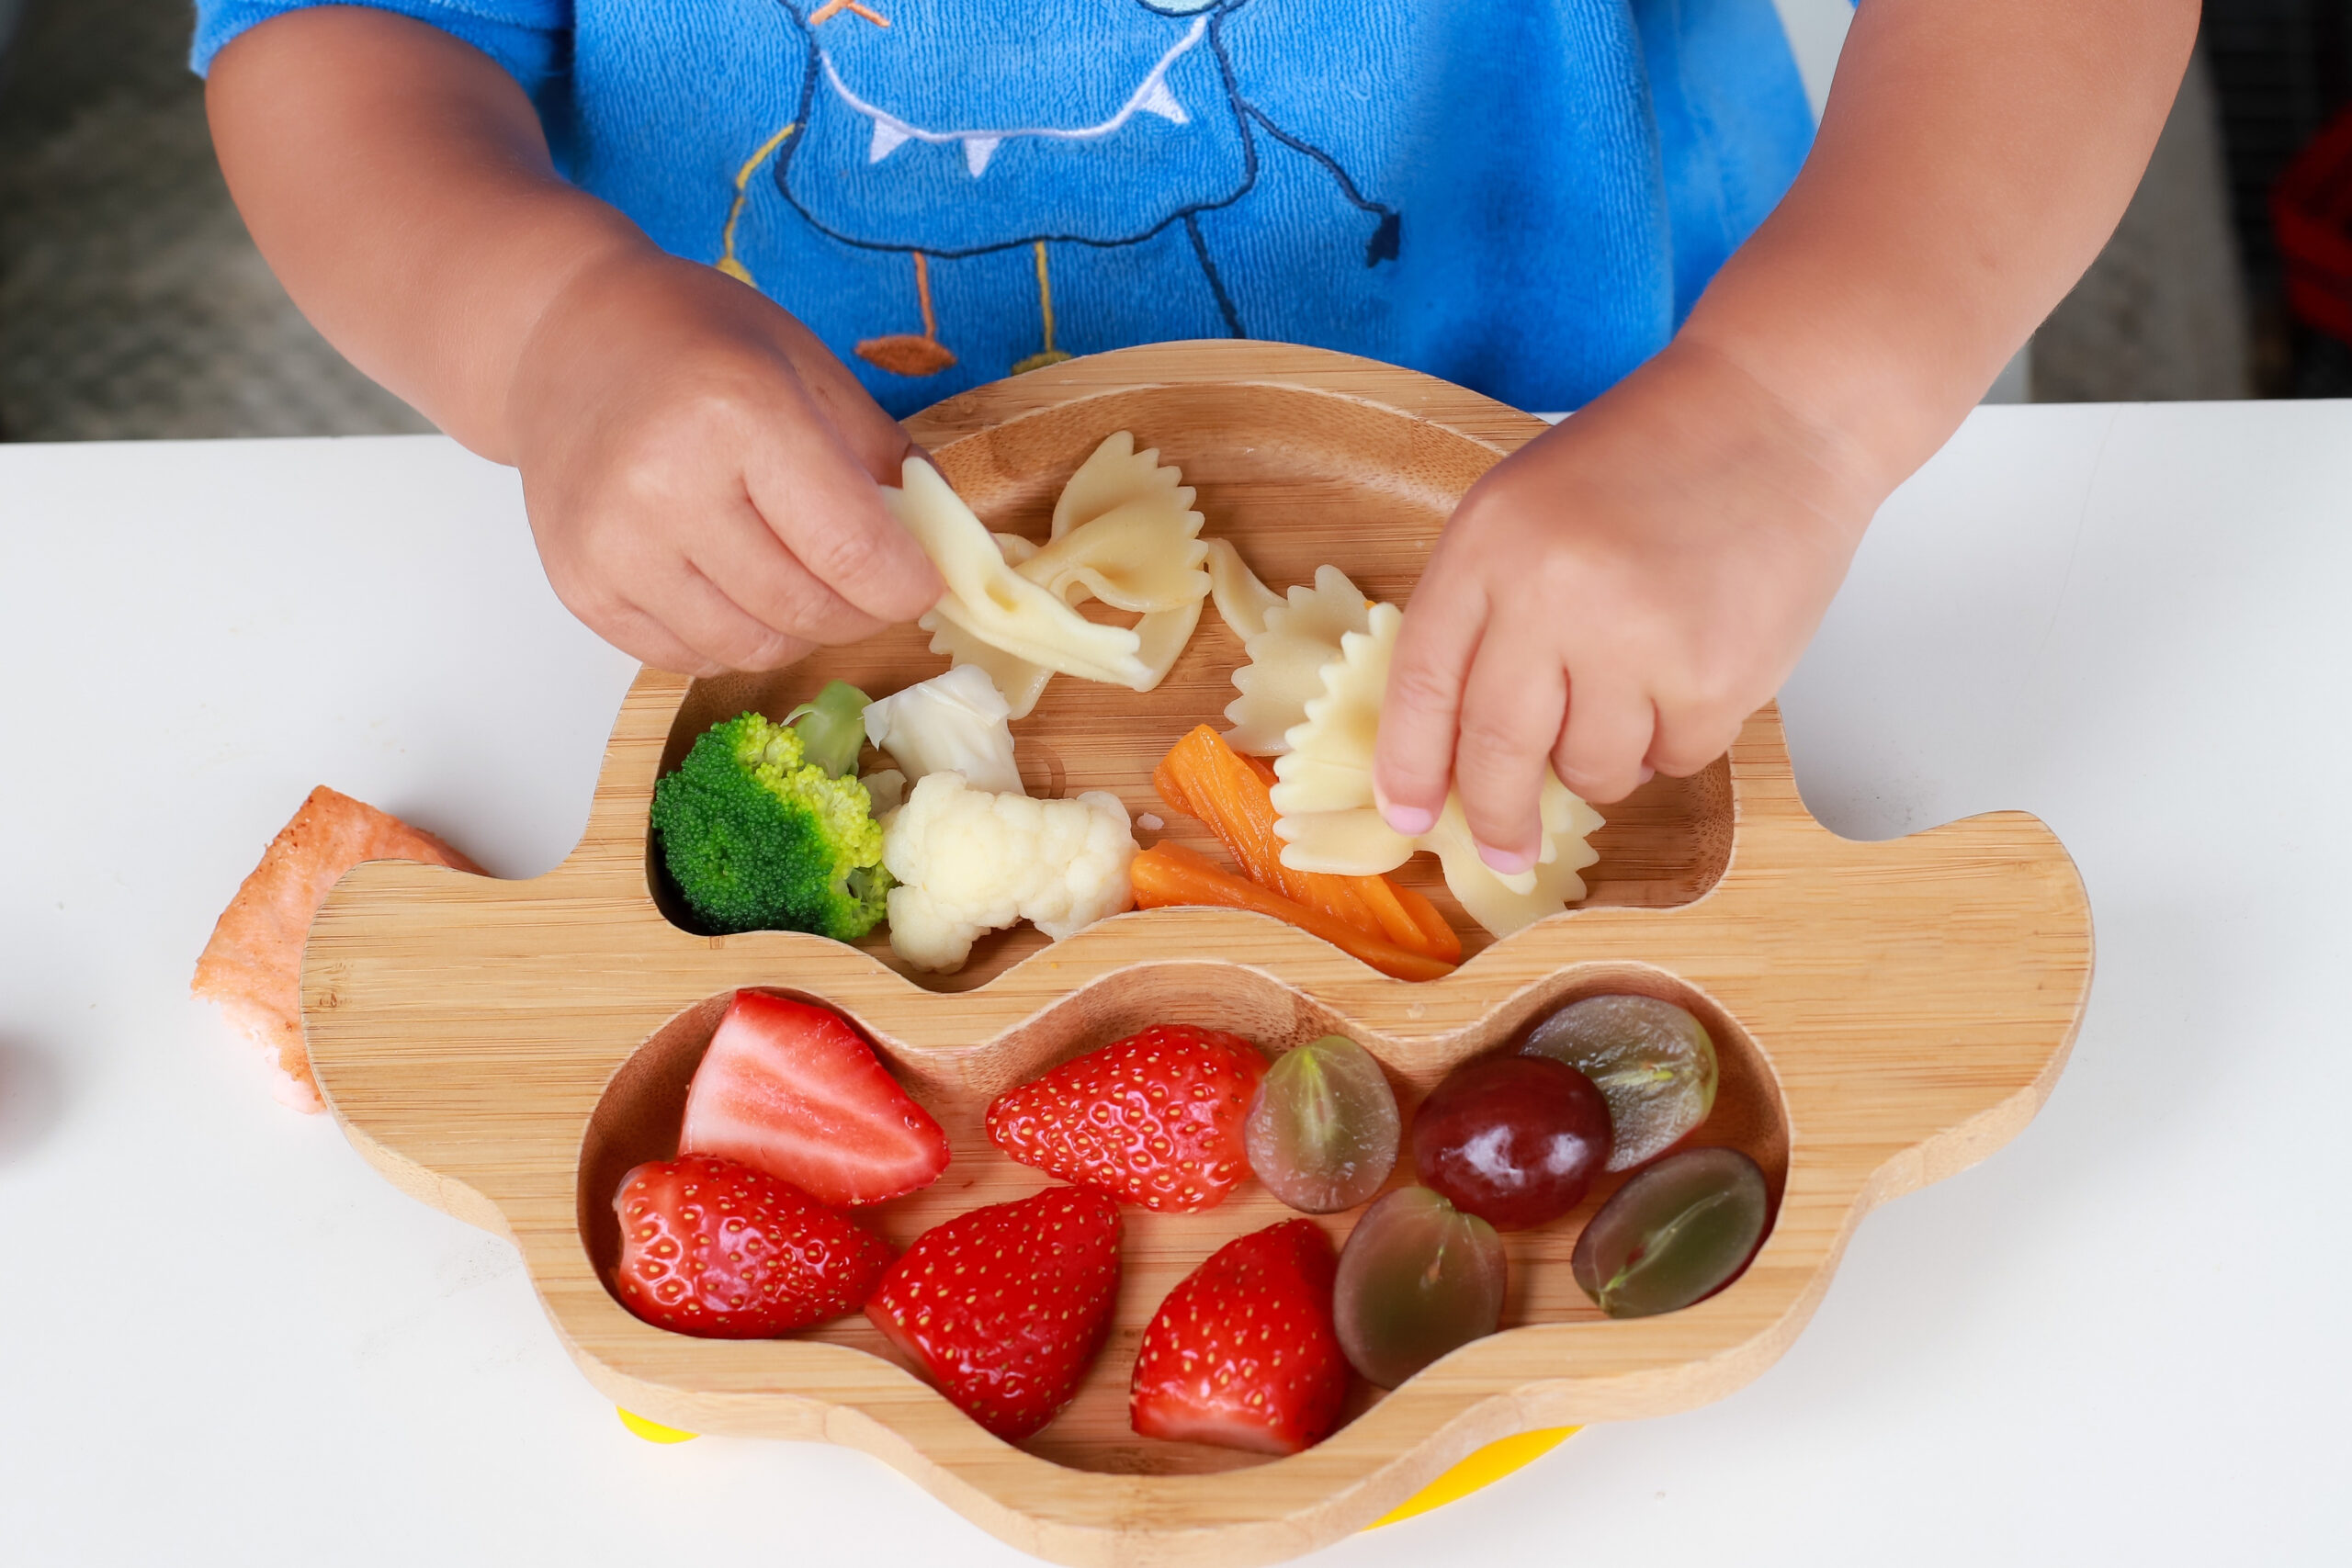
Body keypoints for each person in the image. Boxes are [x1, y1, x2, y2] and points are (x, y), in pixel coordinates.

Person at [198, 1, 2192, 874]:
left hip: (1627, 448)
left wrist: (1793, 410)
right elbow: (340, 34)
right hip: (783, 515)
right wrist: (539, 330)